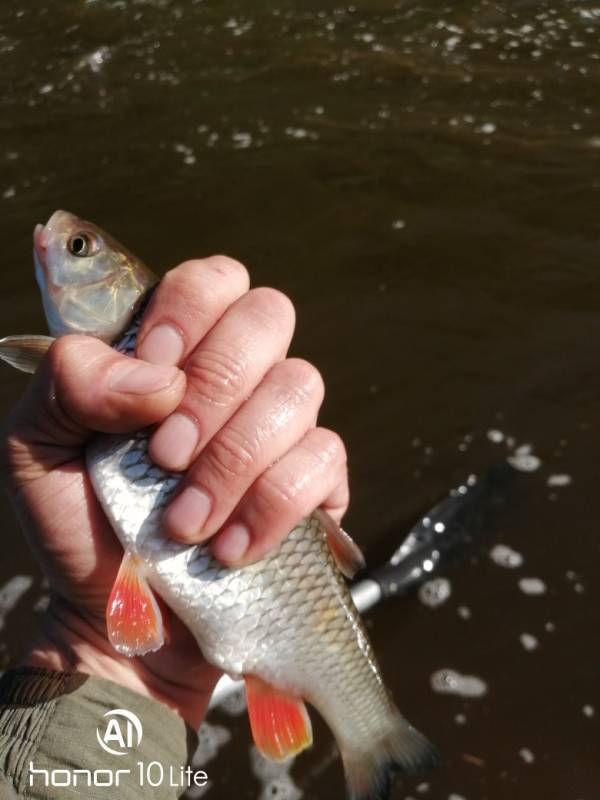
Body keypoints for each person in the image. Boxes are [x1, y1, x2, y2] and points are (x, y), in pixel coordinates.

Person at [0, 257, 349, 799]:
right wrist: (95, 645)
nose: (52, 250)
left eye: (78, 247)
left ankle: (372, 737)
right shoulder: (79, 372)